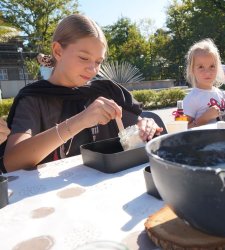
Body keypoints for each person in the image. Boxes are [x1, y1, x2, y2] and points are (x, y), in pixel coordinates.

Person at [1, 14, 162, 173]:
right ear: (58, 51)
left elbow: (139, 128)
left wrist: (146, 126)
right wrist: (80, 121)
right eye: (84, 58)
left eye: (98, 62)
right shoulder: (34, 98)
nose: (92, 69)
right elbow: (13, 162)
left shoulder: (106, 91)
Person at [183, 39, 225, 128]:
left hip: (222, 139)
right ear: (192, 69)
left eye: (212, 66)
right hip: (204, 141)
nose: (207, 72)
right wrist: (204, 118)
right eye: (201, 67)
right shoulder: (191, 99)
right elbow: (184, 129)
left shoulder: (220, 93)